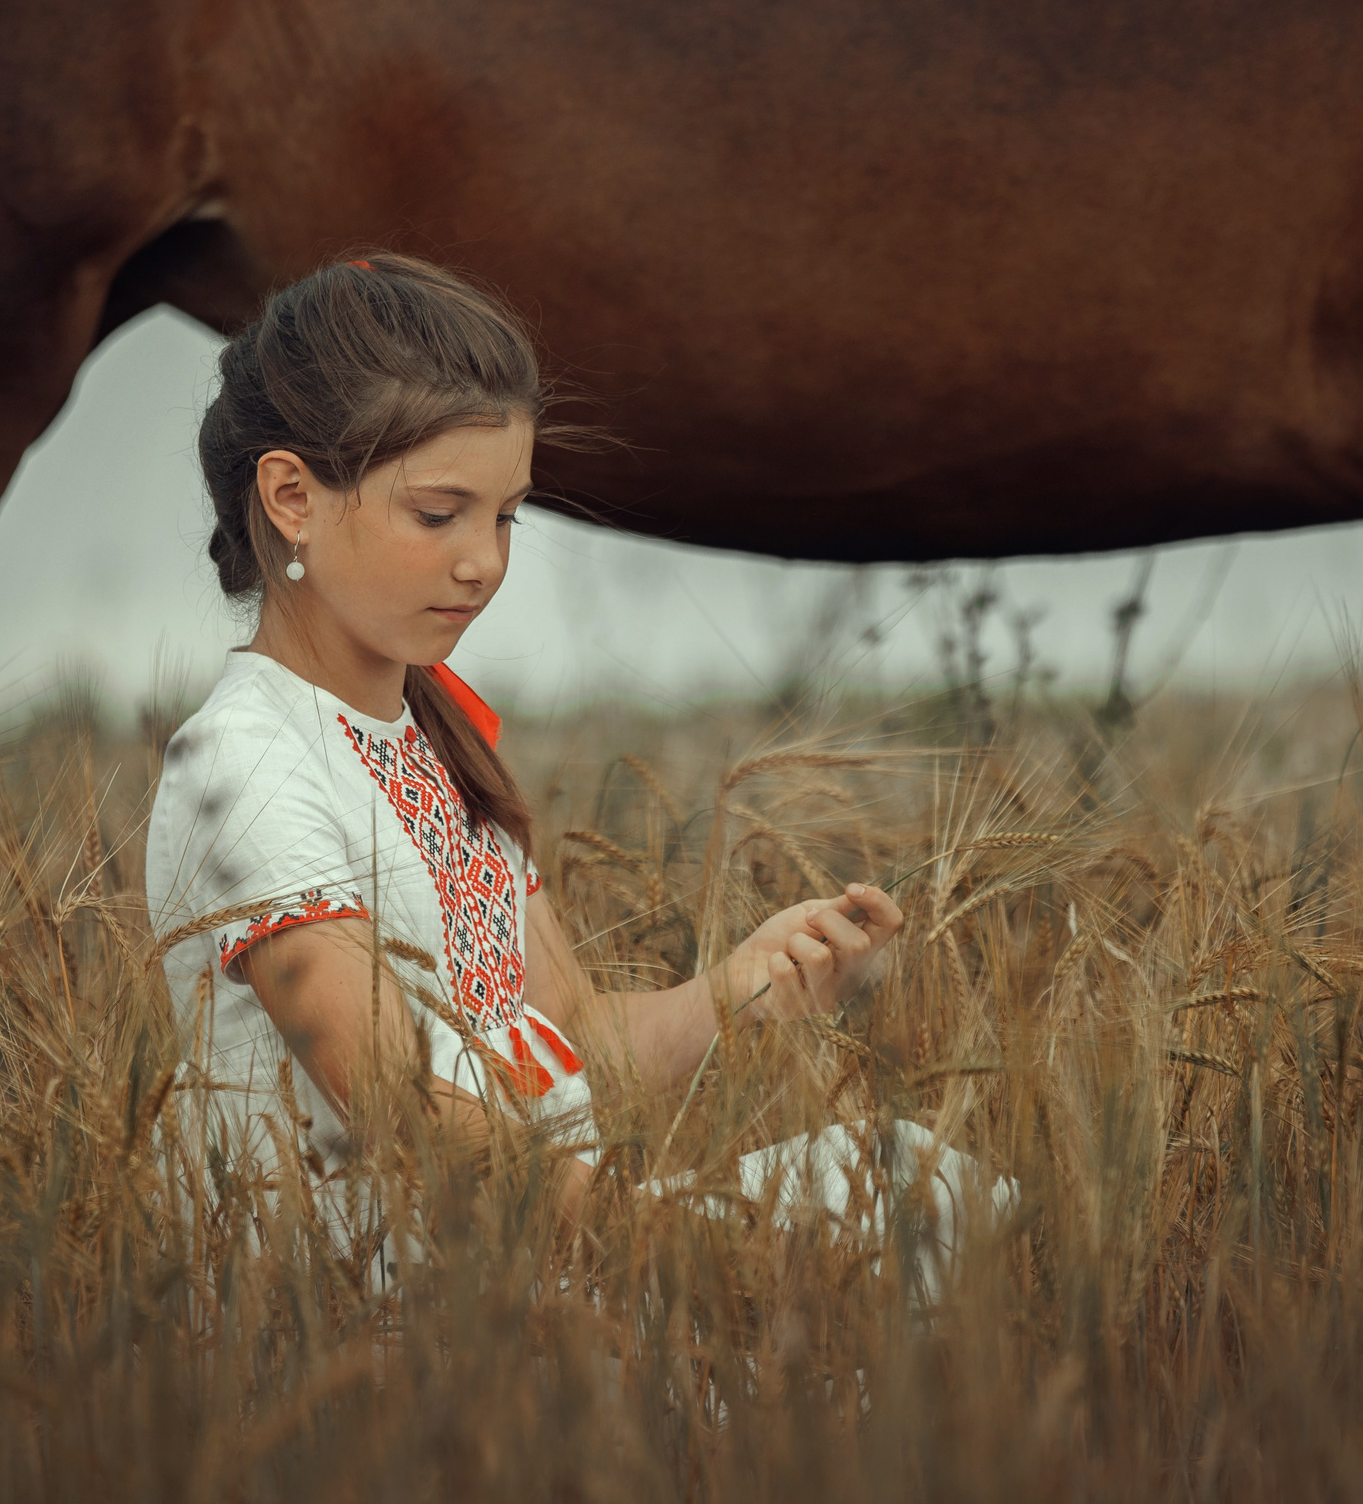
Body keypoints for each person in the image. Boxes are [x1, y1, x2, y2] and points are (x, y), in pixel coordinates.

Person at [145, 253, 978, 1258]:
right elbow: (403, 1110)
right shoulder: (244, 766)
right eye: (438, 514)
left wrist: (741, 989)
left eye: (506, 516)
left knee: (933, 1184)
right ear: (290, 497)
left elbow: (559, 1032)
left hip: (543, 1251)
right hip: (376, 1309)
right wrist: (695, 1252)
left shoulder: (434, 736)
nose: (483, 561)